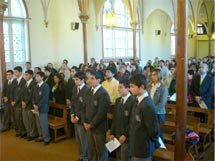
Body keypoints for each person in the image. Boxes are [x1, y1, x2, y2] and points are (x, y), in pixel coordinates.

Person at [129, 74, 160, 161]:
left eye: (132, 86)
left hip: (143, 147)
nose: (130, 89)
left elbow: (153, 129)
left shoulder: (147, 105)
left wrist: (155, 142)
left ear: (142, 87)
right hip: (135, 145)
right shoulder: (137, 100)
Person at [83, 71, 110, 161]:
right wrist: (84, 122)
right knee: (91, 148)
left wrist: (91, 124)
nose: (89, 80)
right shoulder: (89, 91)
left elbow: (101, 113)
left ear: (99, 80)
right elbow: (84, 108)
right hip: (88, 126)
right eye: (89, 78)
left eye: (92, 78)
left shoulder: (103, 94)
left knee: (100, 150)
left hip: (98, 127)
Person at [109, 79, 134, 161]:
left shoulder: (133, 101)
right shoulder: (118, 100)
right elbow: (114, 118)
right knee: (118, 157)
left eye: (121, 87)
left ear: (128, 88)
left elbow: (132, 122)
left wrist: (125, 135)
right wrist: (112, 132)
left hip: (126, 137)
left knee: (125, 157)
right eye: (118, 87)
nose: (118, 89)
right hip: (117, 134)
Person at [71, 72, 89, 161]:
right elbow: (72, 102)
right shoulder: (75, 88)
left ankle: (85, 157)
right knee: (78, 139)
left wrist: (77, 117)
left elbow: (85, 107)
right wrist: (71, 115)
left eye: (77, 79)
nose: (75, 81)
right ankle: (81, 155)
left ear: (82, 80)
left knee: (83, 139)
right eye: (74, 79)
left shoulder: (87, 90)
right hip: (75, 117)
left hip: (82, 119)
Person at [147, 69, 168, 139]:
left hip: (159, 113)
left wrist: (153, 110)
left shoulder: (163, 87)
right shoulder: (149, 86)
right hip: (149, 112)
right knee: (151, 132)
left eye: (155, 75)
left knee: (159, 133)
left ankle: (161, 148)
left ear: (159, 76)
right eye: (152, 75)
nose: (152, 76)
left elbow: (162, 103)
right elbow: (147, 98)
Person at [33, 72, 51, 145]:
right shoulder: (36, 86)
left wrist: (38, 106)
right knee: (38, 123)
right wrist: (34, 104)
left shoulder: (45, 86)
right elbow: (33, 96)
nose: (36, 78)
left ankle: (47, 138)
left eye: (37, 76)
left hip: (43, 108)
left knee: (44, 124)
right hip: (36, 107)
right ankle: (41, 136)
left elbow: (45, 99)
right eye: (36, 76)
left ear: (42, 77)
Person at [21, 70, 38, 141]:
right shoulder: (25, 83)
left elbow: (31, 95)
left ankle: (33, 134)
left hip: (30, 105)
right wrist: (22, 101)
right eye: (25, 75)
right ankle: (28, 133)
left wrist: (25, 103)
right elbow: (22, 93)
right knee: (25, 120)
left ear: (31, 75)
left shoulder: (34, 83)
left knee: (31, 121)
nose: (25, 76)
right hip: (24, 104)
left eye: (27, 75)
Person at [11, 66, 26, 137]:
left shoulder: (24, 81)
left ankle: (23, 131)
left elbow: (21, 93)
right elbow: (12, 92)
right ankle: (20, 131)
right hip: (14, 103)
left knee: (20, 118)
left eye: (16, 72)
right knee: (16, 118)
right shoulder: (14, 81)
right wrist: (12, 100)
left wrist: (15, 101)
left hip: (20, 102)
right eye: (14, 72)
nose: (14, 73)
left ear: (20, 72)